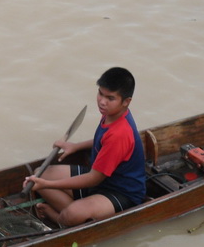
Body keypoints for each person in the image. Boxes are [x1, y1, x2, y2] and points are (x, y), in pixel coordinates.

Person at [24, 67, 146, 227]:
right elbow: (103, 141)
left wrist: (47, 185)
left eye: (110, 98)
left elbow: (94, 178)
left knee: (71, 212)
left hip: (121, 192)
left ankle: (58, 217)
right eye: (100, 93)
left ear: (126, 101)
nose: (102, 101)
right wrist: (75, 146)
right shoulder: (111, 113)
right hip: (101, 179)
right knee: (41, 173)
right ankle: (80, 213)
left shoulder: (120, 134)